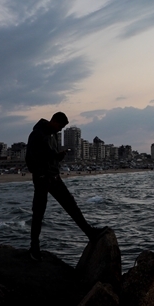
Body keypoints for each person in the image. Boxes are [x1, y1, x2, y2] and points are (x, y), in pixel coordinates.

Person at [26, 111, 107, 262]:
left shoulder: (53, 135)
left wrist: (56, 158)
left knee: (71, 205)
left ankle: (89, 232)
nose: (60, 130)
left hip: (53, 176)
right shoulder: (37, 134)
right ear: (54, 121)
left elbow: (49, 155)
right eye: (60, 126)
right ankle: (34, 247)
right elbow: (31, 158)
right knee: (38, 212)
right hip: (42, 178)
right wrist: (42, 170)